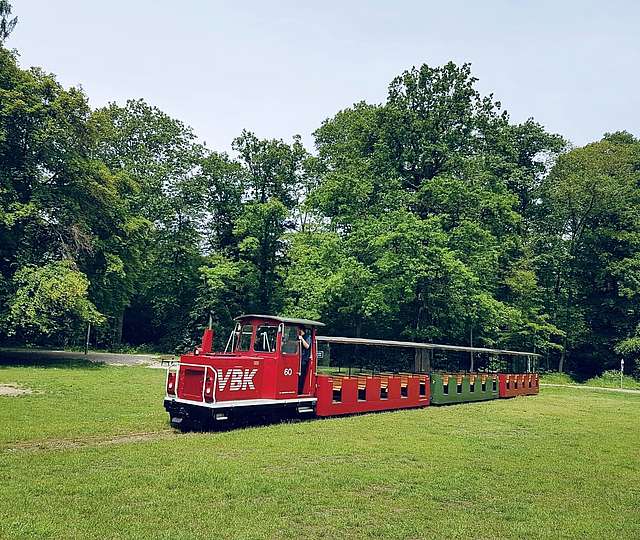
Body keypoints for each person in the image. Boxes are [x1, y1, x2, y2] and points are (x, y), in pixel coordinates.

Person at [298, 326, 312, 394]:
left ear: (301, 330)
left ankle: (299, 391)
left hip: (304, 360)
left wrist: (301, 339)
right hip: (297, 359)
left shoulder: (307, 337)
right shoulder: (296, 336)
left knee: (301, 376)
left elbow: (307, 346)